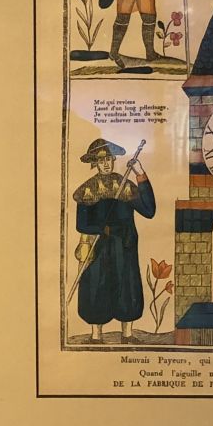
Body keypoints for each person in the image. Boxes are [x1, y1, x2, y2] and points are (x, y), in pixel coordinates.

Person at [73, 138, 156, 340]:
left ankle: (127, 334)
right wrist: (102, 228)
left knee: (126, 286)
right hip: (98, 247)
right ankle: (96, 336)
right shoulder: (87, 189)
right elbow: (81, 224)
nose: (106, 164)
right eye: (101, 160)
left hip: (124, 245)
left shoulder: (124, 184)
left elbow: (149, 210)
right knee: (97, 285)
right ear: (95, 163)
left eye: (109, 159)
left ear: (113, 160)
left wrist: (139, 173)